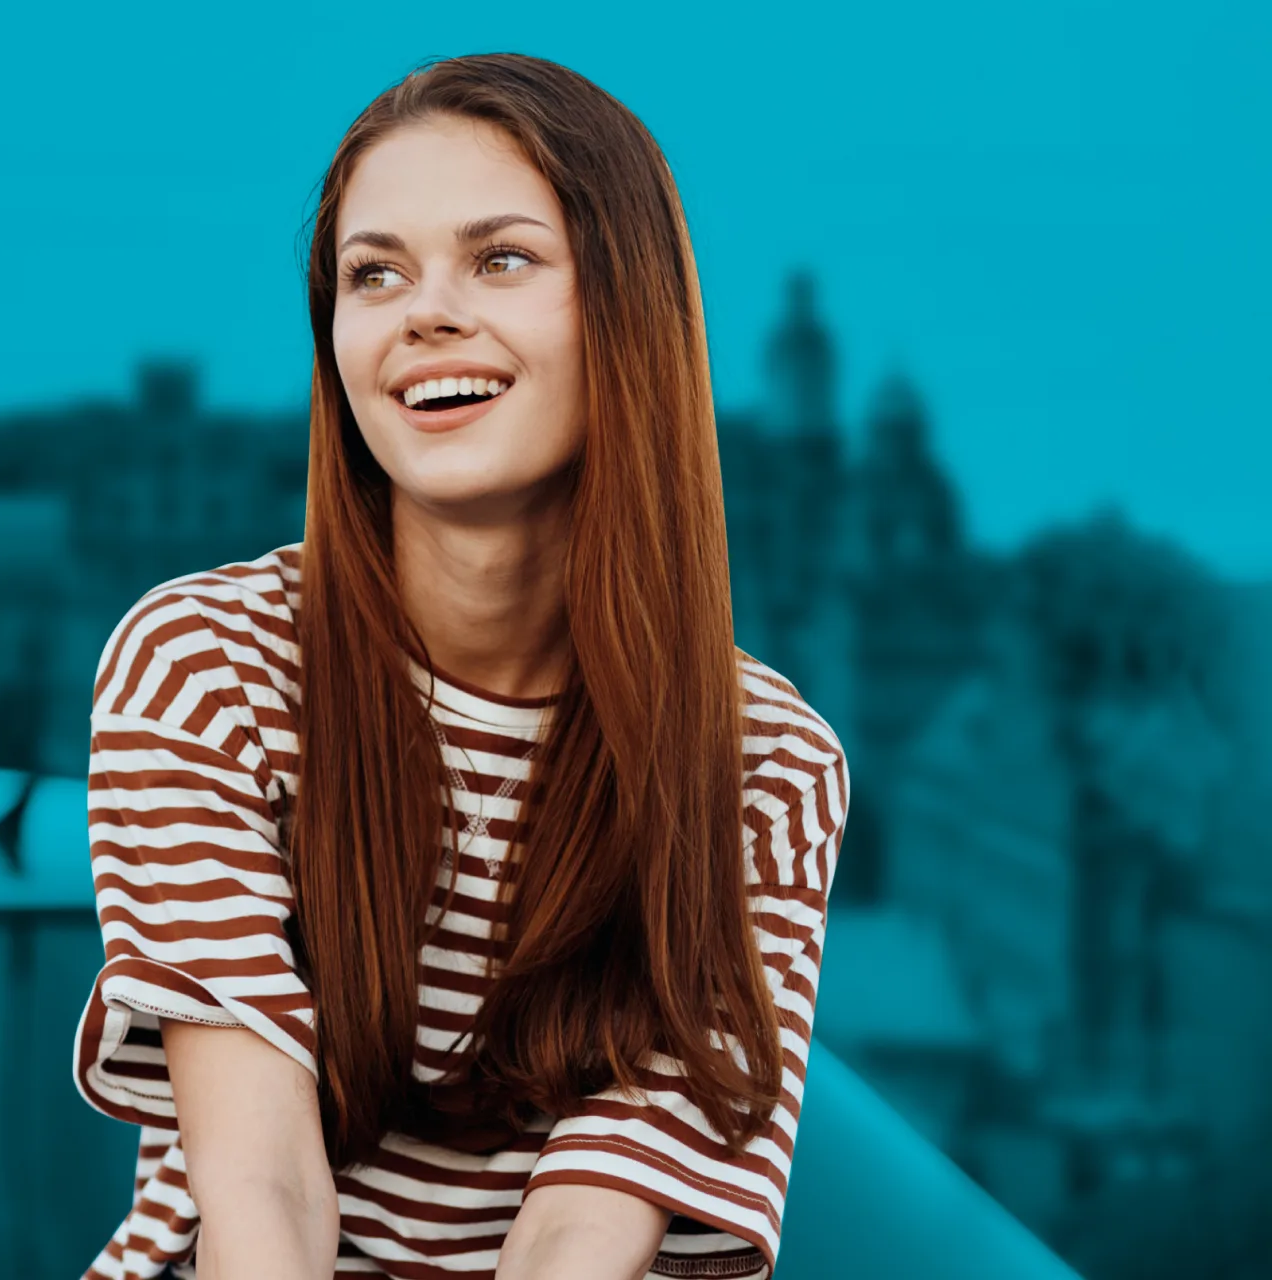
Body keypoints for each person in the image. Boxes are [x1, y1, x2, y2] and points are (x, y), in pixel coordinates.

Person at [73, 53, 849, 1280]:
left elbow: (585, 1232)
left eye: (501, 258)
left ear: (630, 309)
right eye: (373, 273)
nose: (423, 312)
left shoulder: (766, 763)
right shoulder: (202, 668)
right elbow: (262, 1192)